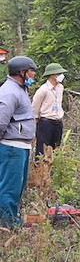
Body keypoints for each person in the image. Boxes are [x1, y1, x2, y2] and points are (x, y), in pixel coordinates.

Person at [0, 57, 38, 229]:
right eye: (31, 71)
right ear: (21, 72)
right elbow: (1, 120)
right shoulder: (9, 91)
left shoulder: (20, 89)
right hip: (11, 147)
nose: (33, 74)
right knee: (9, 187)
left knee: (18, 187)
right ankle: (7, 223)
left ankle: (13, 218)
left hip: (20, 146)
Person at [31, 63, 67, 164]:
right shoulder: (43, 90)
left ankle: (52, 172)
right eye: (59, 73)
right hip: (46, 123)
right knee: (42, 150)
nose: (61, 75)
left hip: (58, 122)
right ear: (52, 75)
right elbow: (35, 107)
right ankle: (39, 171)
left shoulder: (60, 87)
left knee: (56, 148)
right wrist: (36, 121)